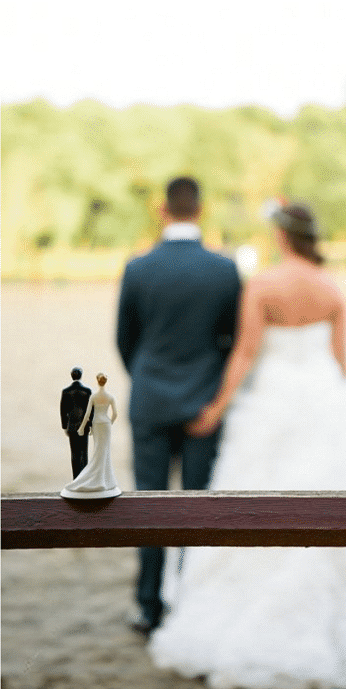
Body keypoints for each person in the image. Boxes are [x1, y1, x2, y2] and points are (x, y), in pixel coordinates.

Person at [147, 202, 346, 689]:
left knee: (254, 503)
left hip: (271, 404)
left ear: (280, 236)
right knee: (333, 507)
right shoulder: (331, 288)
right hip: (325, 402)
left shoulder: (264, 284)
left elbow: (246, 352)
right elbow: (341, 364)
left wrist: (217, 406)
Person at [117, 176, 242, 633]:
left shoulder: (137, 268)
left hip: (149, 401)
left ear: (163, 210)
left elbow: (125, 340)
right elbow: (233, 341)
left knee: (147, 506)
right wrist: (207, 390)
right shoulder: (224, 269)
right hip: (203, 404)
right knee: (197, 507)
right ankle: (190, 602)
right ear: (201, 210)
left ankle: (148, 606)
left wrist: (149, 382)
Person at [60, 373, 121, 499]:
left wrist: (82, 427)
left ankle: (86, 478)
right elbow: (115, 414)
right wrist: (110, 422)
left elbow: (88, 414)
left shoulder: (93, 396)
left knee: (96, 450)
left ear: (98, 382)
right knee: (105, 451)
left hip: (96, 424)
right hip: (105, 424)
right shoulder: (109, 396)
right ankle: (105, 479)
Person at [60, 367, 92, 478]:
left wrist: (64, 426)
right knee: (84, 452)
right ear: (81, 375)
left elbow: (63, 410)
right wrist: (91, 424)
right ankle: (85, 477)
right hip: (84, 425)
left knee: (74, 453)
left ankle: (76, 477)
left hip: (72, 425)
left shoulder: (66, 391)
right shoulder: (87, 391)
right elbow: (90, 409)